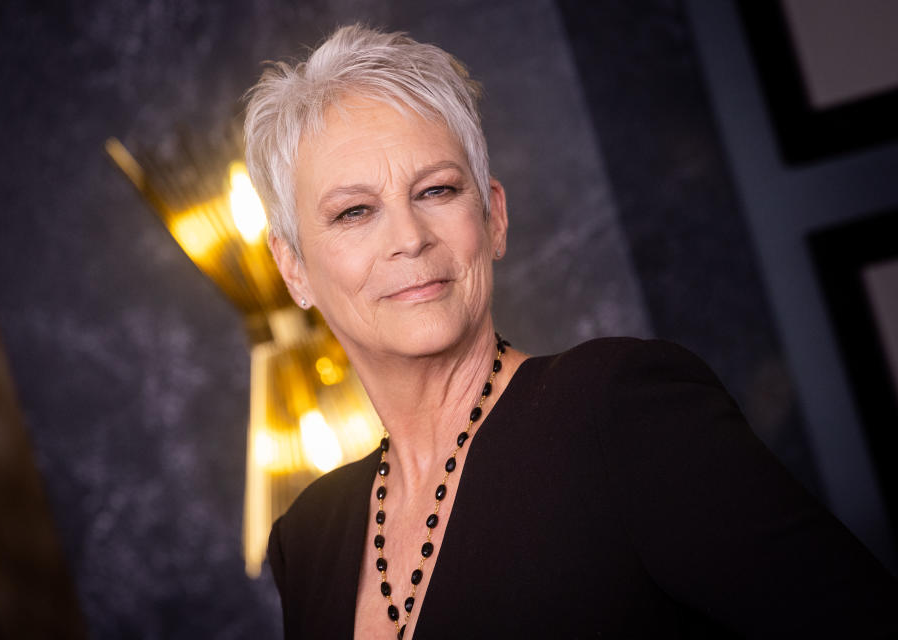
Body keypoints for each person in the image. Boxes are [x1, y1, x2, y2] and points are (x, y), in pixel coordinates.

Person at [243, 24, 898, 639]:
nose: (410, 239)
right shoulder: (308, 540)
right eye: (355, 211)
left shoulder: (619, 410)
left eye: (437, 191)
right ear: (293, 267)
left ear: (494, 217)